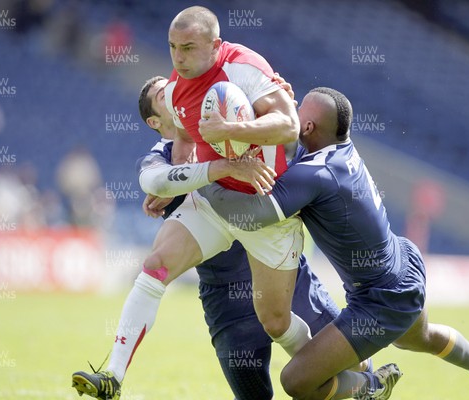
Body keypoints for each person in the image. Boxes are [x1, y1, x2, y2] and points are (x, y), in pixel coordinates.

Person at [197, 87, 469, 400]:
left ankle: (372, 384)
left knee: (296, 382)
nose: (293, 112)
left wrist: (205, 177)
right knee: (420, 338)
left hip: (380, 299)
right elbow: (285, 147)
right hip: (400, 267)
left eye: (298, 111)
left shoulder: (316, 173)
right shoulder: (338, 149)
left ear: (309, 126)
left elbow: (252, 216)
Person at [135, 75, 345, 400]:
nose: (175, 89)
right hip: (227, 299)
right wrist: (183, 183)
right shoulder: (160, 161)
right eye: (163, 93)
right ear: (155, 120)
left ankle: (367, 386)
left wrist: (283, 106)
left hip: (280, 273)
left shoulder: (232, 117)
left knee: (344, 355)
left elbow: (285, 141)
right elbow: (160, 181)